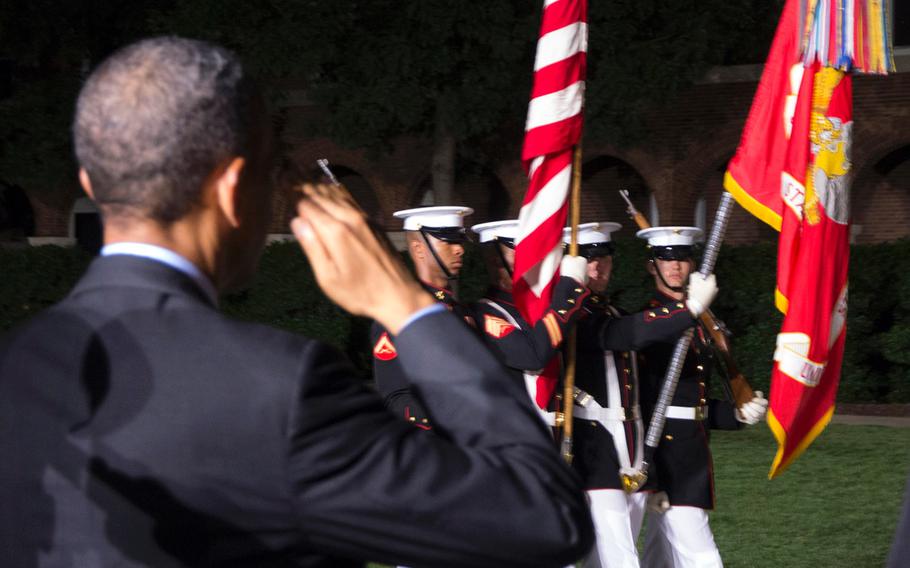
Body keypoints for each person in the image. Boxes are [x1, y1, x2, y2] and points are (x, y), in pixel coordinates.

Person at [0, 37, 595, 568]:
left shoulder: (17, 367)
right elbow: (543, 516)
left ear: (90, 186)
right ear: (233, 190)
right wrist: (405, 303)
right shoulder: (279, 388)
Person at [563, 222, 718, 568]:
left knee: (615, 555)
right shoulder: (576, 317)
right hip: (595, 452)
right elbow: (621, 334)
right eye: (588, 260)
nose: (597, 268)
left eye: (603, 258)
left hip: (629, 453)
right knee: (619, 559)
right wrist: (688, 311)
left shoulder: (610, 310)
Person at [634, 227, 767, 568]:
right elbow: (644, 403)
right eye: (666, 259)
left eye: (681, 258)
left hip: (691, 451)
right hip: (664, 456)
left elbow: (695, 403)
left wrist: (734, 415)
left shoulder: (703, 322)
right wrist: (654, 476)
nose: (675, 266)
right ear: (652, 267)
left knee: (659, 556)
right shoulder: (649, 323)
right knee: (702, 557)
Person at [468, 220, 589, 423]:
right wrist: (569, 287)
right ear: (495, 259)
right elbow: (532, 356)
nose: (534, 257)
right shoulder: (484, 313)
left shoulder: (540, 309)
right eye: (523, 249)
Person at [370, 205, 474, 429]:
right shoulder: (399, 312)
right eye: (448, 242)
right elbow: (397, 397)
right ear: (419, 249)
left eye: (460, 242)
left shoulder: (458, 310)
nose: (459, 250)